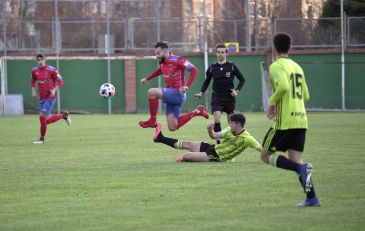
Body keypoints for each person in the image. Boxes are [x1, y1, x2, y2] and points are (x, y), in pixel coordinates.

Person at [261, 33, 320, 207]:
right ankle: (312, 197)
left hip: (285, 122)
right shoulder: (297, 67)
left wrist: (272, 103)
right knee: (295, 159)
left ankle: (300, 169)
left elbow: (284, 86)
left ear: (274, 47)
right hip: (301, 120)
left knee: (264, 155)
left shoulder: (276, 66)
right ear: (290, 47)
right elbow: (306, 95)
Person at [139, 41, 209, 131]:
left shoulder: (178, 60)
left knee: (152, 92)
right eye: (155, 53)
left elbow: (194, 70)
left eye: (158, 53)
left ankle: (152, 120)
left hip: (178, 93)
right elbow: (160, 70)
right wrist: (148, 78)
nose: (156, 56)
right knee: (172, 127)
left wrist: (187, 86)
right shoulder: (164, 62)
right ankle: (197, 111)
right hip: (172, 96)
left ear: (165, 51)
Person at [153, 113, 261, 162]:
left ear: (238, 124)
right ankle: (160, 138)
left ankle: (186, 159)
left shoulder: (247, 139)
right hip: (213, 148)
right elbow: (214, 136)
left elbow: (262, 150)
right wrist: (210, 130)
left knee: (186, 156)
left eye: (232, 123)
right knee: (188, 144)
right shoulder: (229, 130)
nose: (230, 124)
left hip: (216, 156)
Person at [195, 43, 245, 144]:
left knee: (231, 121)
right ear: (216, 53)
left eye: (222, 52)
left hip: (229, 97)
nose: (220, 54)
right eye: (218, 52)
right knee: (217, 117)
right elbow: (207, 81)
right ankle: (218, 143)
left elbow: (242, 80)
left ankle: (230, 141)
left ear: (226, 53)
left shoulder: (232, 66)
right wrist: (201, 92)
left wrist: (236, 91)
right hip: (217, 96)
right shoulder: (212, 67)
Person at [31, 54, 71, 144]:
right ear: (36, 61)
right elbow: (33, 81)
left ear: (45, 60)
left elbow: (60, 80)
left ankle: (42, 139)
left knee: (42, 117)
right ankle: (63, 116)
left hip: (50, 97)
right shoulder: (34, 70)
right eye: (38, 60)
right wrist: (33, 91)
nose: (40, 61)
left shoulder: (51, 70)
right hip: (42, 98)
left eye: (42, 59)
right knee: (45, 121)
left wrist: (54, 90)